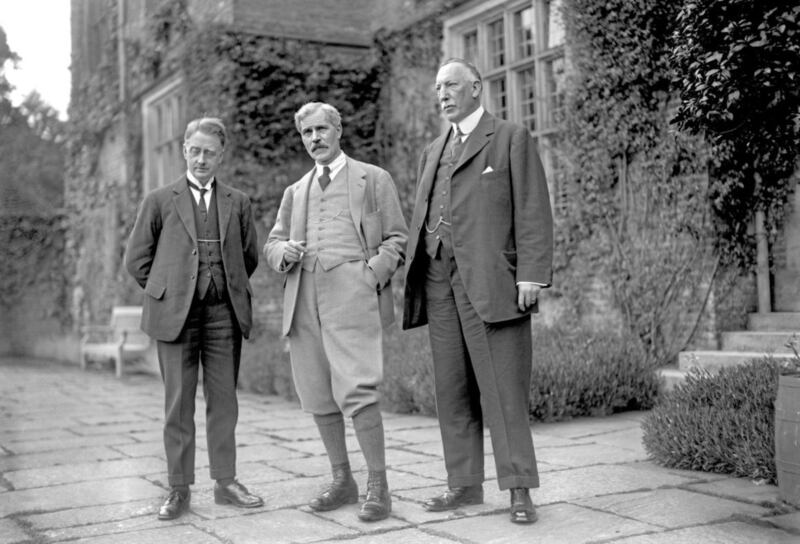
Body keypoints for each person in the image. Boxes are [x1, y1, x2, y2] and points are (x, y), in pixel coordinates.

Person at [402, 58, 554, 524]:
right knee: (452, 389)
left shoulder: (510, 137)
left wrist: (531, 273)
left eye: (450, 85)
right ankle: (463, 485)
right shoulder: (433, 149)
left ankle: (519, 489)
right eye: (437, 87)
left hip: (491, 281)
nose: (442, 93)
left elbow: (532, 208)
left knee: (503, 390)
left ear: (476, 88)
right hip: (437, 278)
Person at [265, 102, 408, 522]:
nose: (315, 139)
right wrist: (282, 253)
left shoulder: (373, 178)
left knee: (359, 388)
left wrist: (371, 274)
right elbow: (272, 242)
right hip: (303, 298)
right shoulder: (295, 191)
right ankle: (341, 479)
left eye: (322, 129)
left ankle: (378, 486)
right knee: (317, 392)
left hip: (353, 297)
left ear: (338, 129)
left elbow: (398, 237)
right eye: (307, 133)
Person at [125, 117, 263, 520]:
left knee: (224, 402)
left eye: (210, 152)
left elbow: (248, 257)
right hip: (176, 317)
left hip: (223, 314)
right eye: (195, 151)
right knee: (178, 405)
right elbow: (136, 260)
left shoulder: (237, 202)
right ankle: (178, 488)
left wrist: (224, 286)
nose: (202, 159)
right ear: (184, 150)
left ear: (221, 155)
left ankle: (226, 482)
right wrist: (169, 293)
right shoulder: (159, 200)